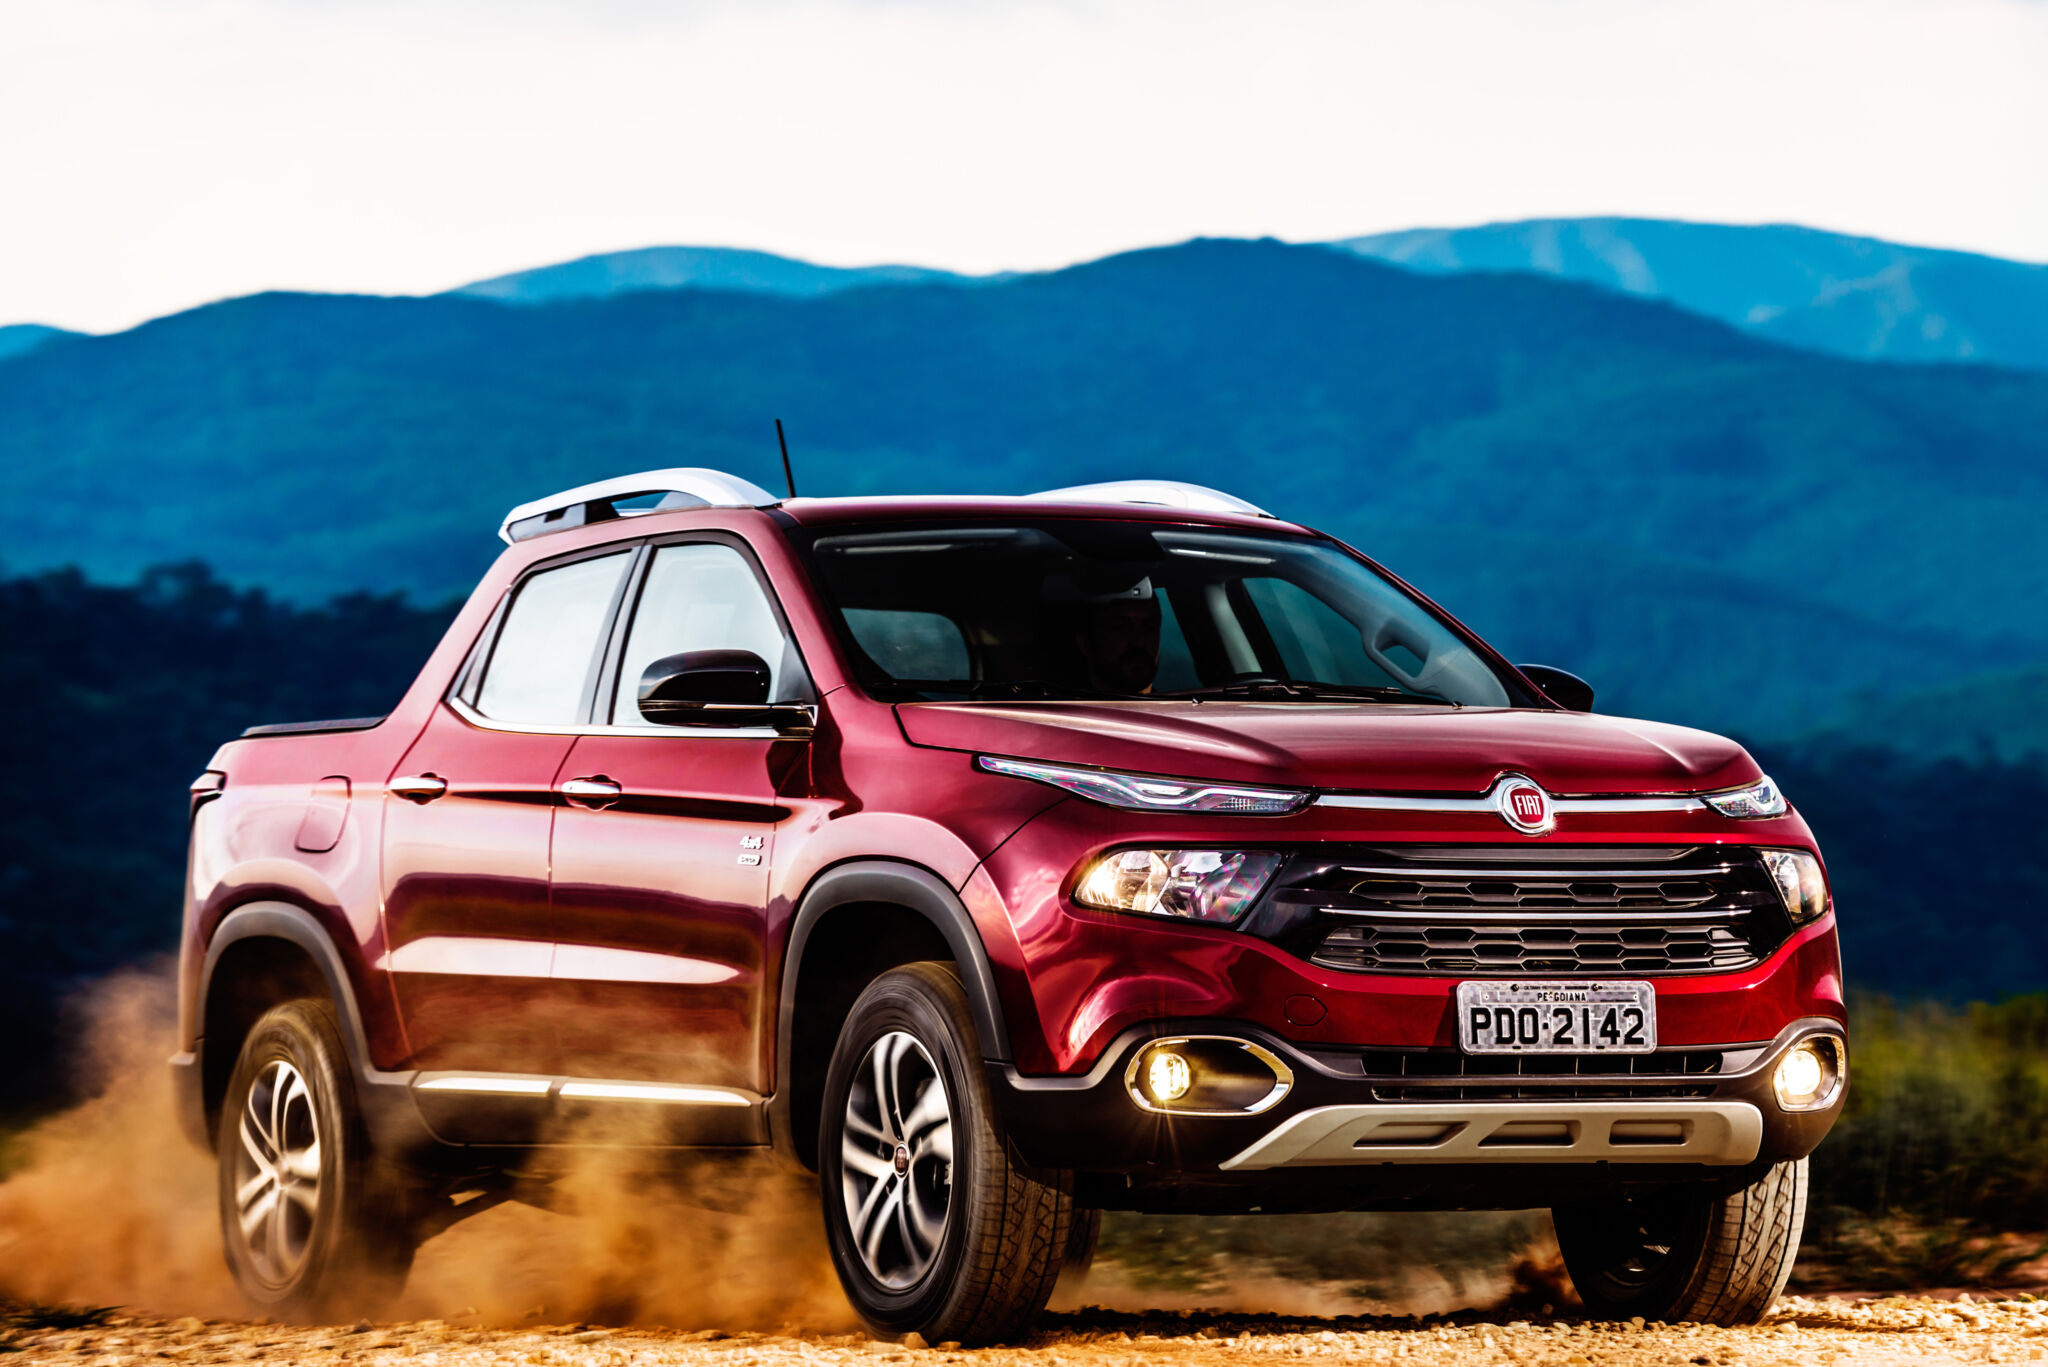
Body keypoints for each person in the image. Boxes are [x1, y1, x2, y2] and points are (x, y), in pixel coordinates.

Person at [1071, 582, 1161, 695]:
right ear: (1084, 642)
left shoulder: (1180, 707)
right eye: (1121, 628)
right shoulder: (1055, 709)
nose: (1140, 641)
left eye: (1149, 628)